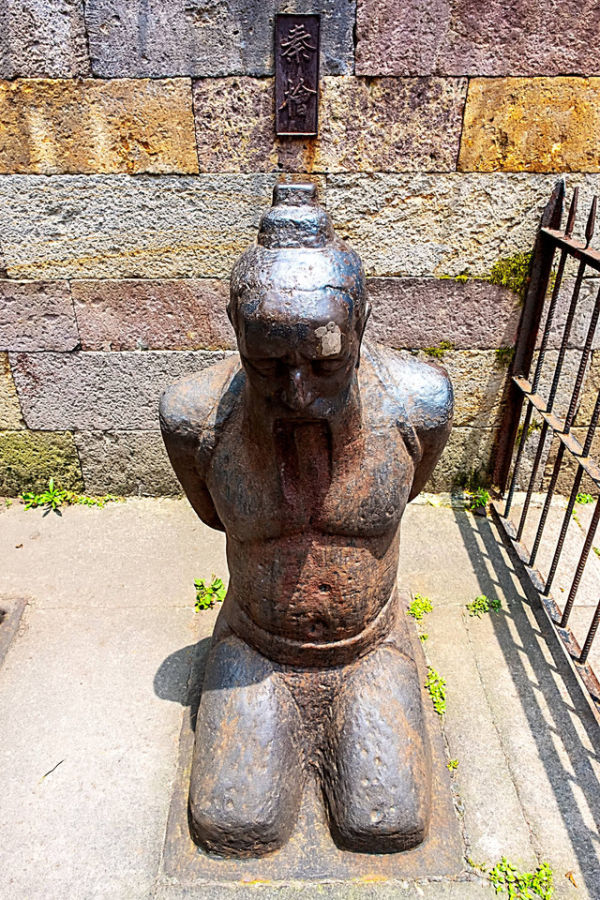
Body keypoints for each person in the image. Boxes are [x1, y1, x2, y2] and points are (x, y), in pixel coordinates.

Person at [160, 182, 453, 857]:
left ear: (361, 327)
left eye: (324, 362)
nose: (297, 393)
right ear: (237, 335)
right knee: (237, 824)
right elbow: (213, 516)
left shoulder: (418, 405)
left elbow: (402, 496)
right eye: (268, 364)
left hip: (368, 645)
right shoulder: (195, 418)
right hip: (257, 645)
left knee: (386, 822)